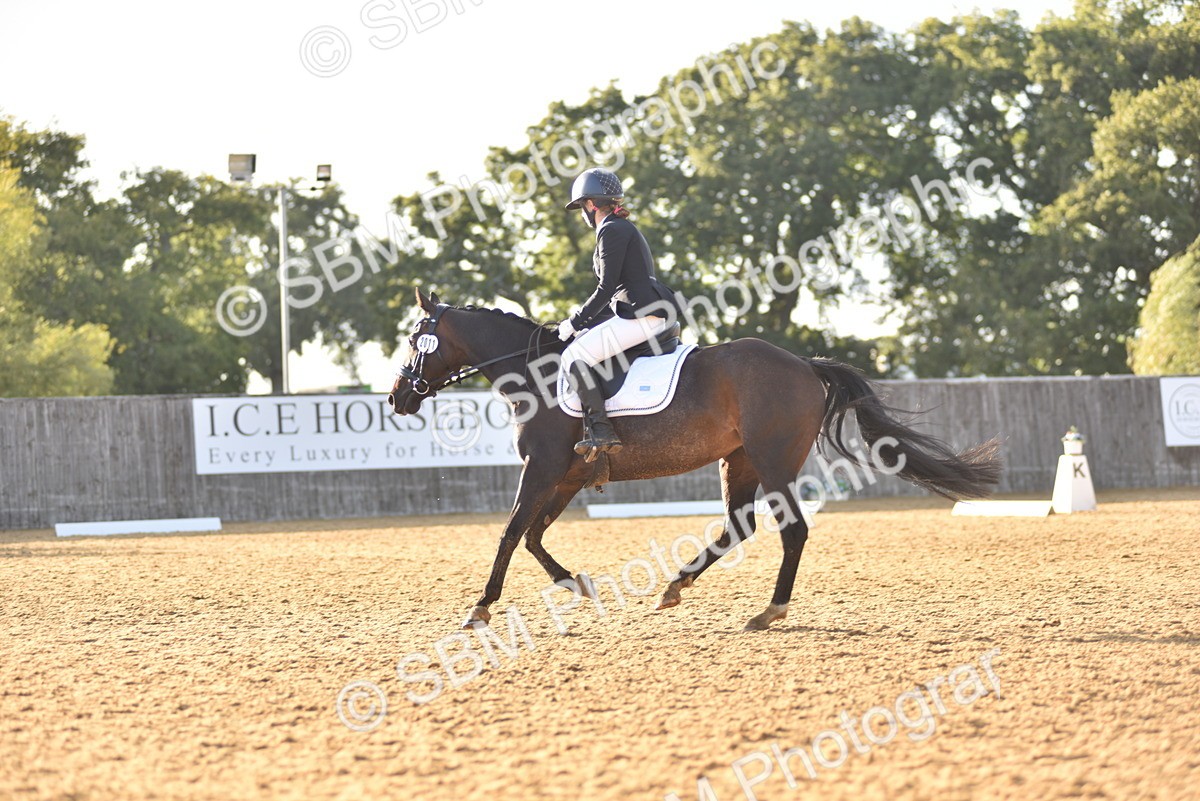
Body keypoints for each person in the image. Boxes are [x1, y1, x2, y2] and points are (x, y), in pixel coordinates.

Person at [558, 167, 682, 459]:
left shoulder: (611, 229)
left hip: (642, 314)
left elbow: (606, 288)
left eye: (581, 207)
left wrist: (574, 322)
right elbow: (617, 293)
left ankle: (600, 430)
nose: (582, 214)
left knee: (573, 356)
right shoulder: (621, 227)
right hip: (644, 310)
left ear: (590, 205)